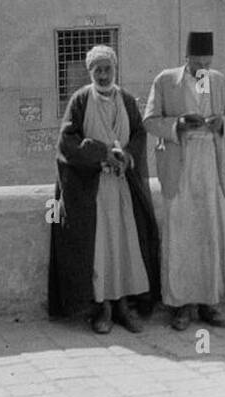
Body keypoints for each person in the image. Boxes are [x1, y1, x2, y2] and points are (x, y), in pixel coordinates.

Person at [49, 45, 160, 334]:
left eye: (107, 68)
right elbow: (66, 142)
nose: (102, 74)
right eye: (97, 69)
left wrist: (128, 156)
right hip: (94, 191)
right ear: (89, 72)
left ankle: (123, 306)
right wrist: (101, 154)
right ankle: (103, 309)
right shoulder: (80, 100)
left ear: (115, 69)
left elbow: (138, 133)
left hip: (123, 187)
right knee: (100, 250)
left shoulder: (126, 99)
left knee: (125, 247)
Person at [143, 31, 225, 330]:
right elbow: (149, 121)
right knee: (181, 236)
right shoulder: (165, 81)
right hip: (179, 165)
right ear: (186, 58)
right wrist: (178, 125)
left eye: (205, 62)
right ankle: (181, 306)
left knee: (209, 231)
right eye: (196, 62)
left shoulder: (220, 81)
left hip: (210, 164)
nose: (201, 67)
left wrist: (221, 123)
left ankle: (208, 303)